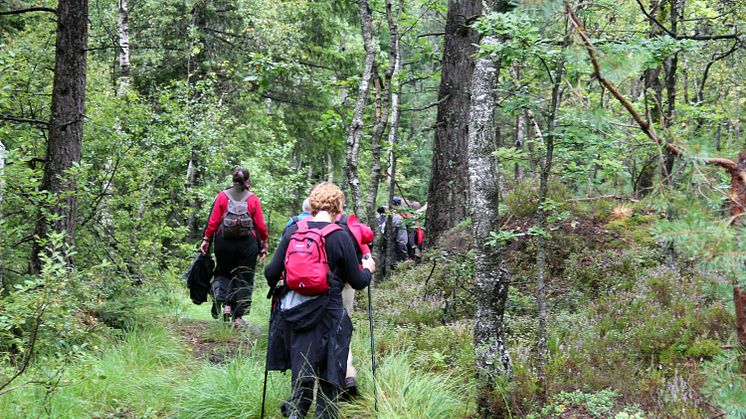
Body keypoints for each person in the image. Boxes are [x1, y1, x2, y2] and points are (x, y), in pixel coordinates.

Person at [264, 182, 375, 419]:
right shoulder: (340, 235)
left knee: (302, 370)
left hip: (296, 313)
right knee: (329, 373)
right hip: (330, 315)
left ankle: (296, 412)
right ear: (339, 208)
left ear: (313, 205)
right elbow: (357, 281)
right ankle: (326, 414)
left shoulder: (294, 230)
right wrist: (369, 269)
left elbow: (271, 273)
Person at [200, 167, 268, 327]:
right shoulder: (253, 199)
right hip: (247, 244)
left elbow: (213, 221)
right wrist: (264, 243)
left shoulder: (222, 196)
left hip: (224, 242)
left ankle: (224, 303)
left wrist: (206, 239)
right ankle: (238, 317)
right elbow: (260, 226)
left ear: (233, 180)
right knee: (244, 276)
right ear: (248, 181)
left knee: (223, 273)